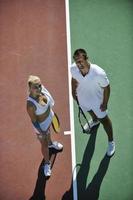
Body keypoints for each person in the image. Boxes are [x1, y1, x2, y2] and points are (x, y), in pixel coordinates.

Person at [71, 49, 115, 157]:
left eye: (81, 61)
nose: (79, 64)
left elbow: (107, 88)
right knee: (90, 111)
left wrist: (105, 103)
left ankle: (111, 142)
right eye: (77, 62)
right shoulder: (73, 68)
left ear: (87, 59)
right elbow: (74, 79)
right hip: (83, 99)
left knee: (105, 121)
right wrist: (73, 91)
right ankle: (95, 121)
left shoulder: (98, 73)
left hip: (97, 102)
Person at [27, 75, 63, 177]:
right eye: (35, 87)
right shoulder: (30, 104)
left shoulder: (42, 90)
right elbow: (34, 121)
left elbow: (49, 104)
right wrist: (41, 132)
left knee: (49, 135)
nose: (39, 88)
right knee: (44, 144)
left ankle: (51, 143)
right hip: (41, 126)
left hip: (49, 119)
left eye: (39, 85)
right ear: (30, 88)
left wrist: (51, 116)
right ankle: (47, 164)